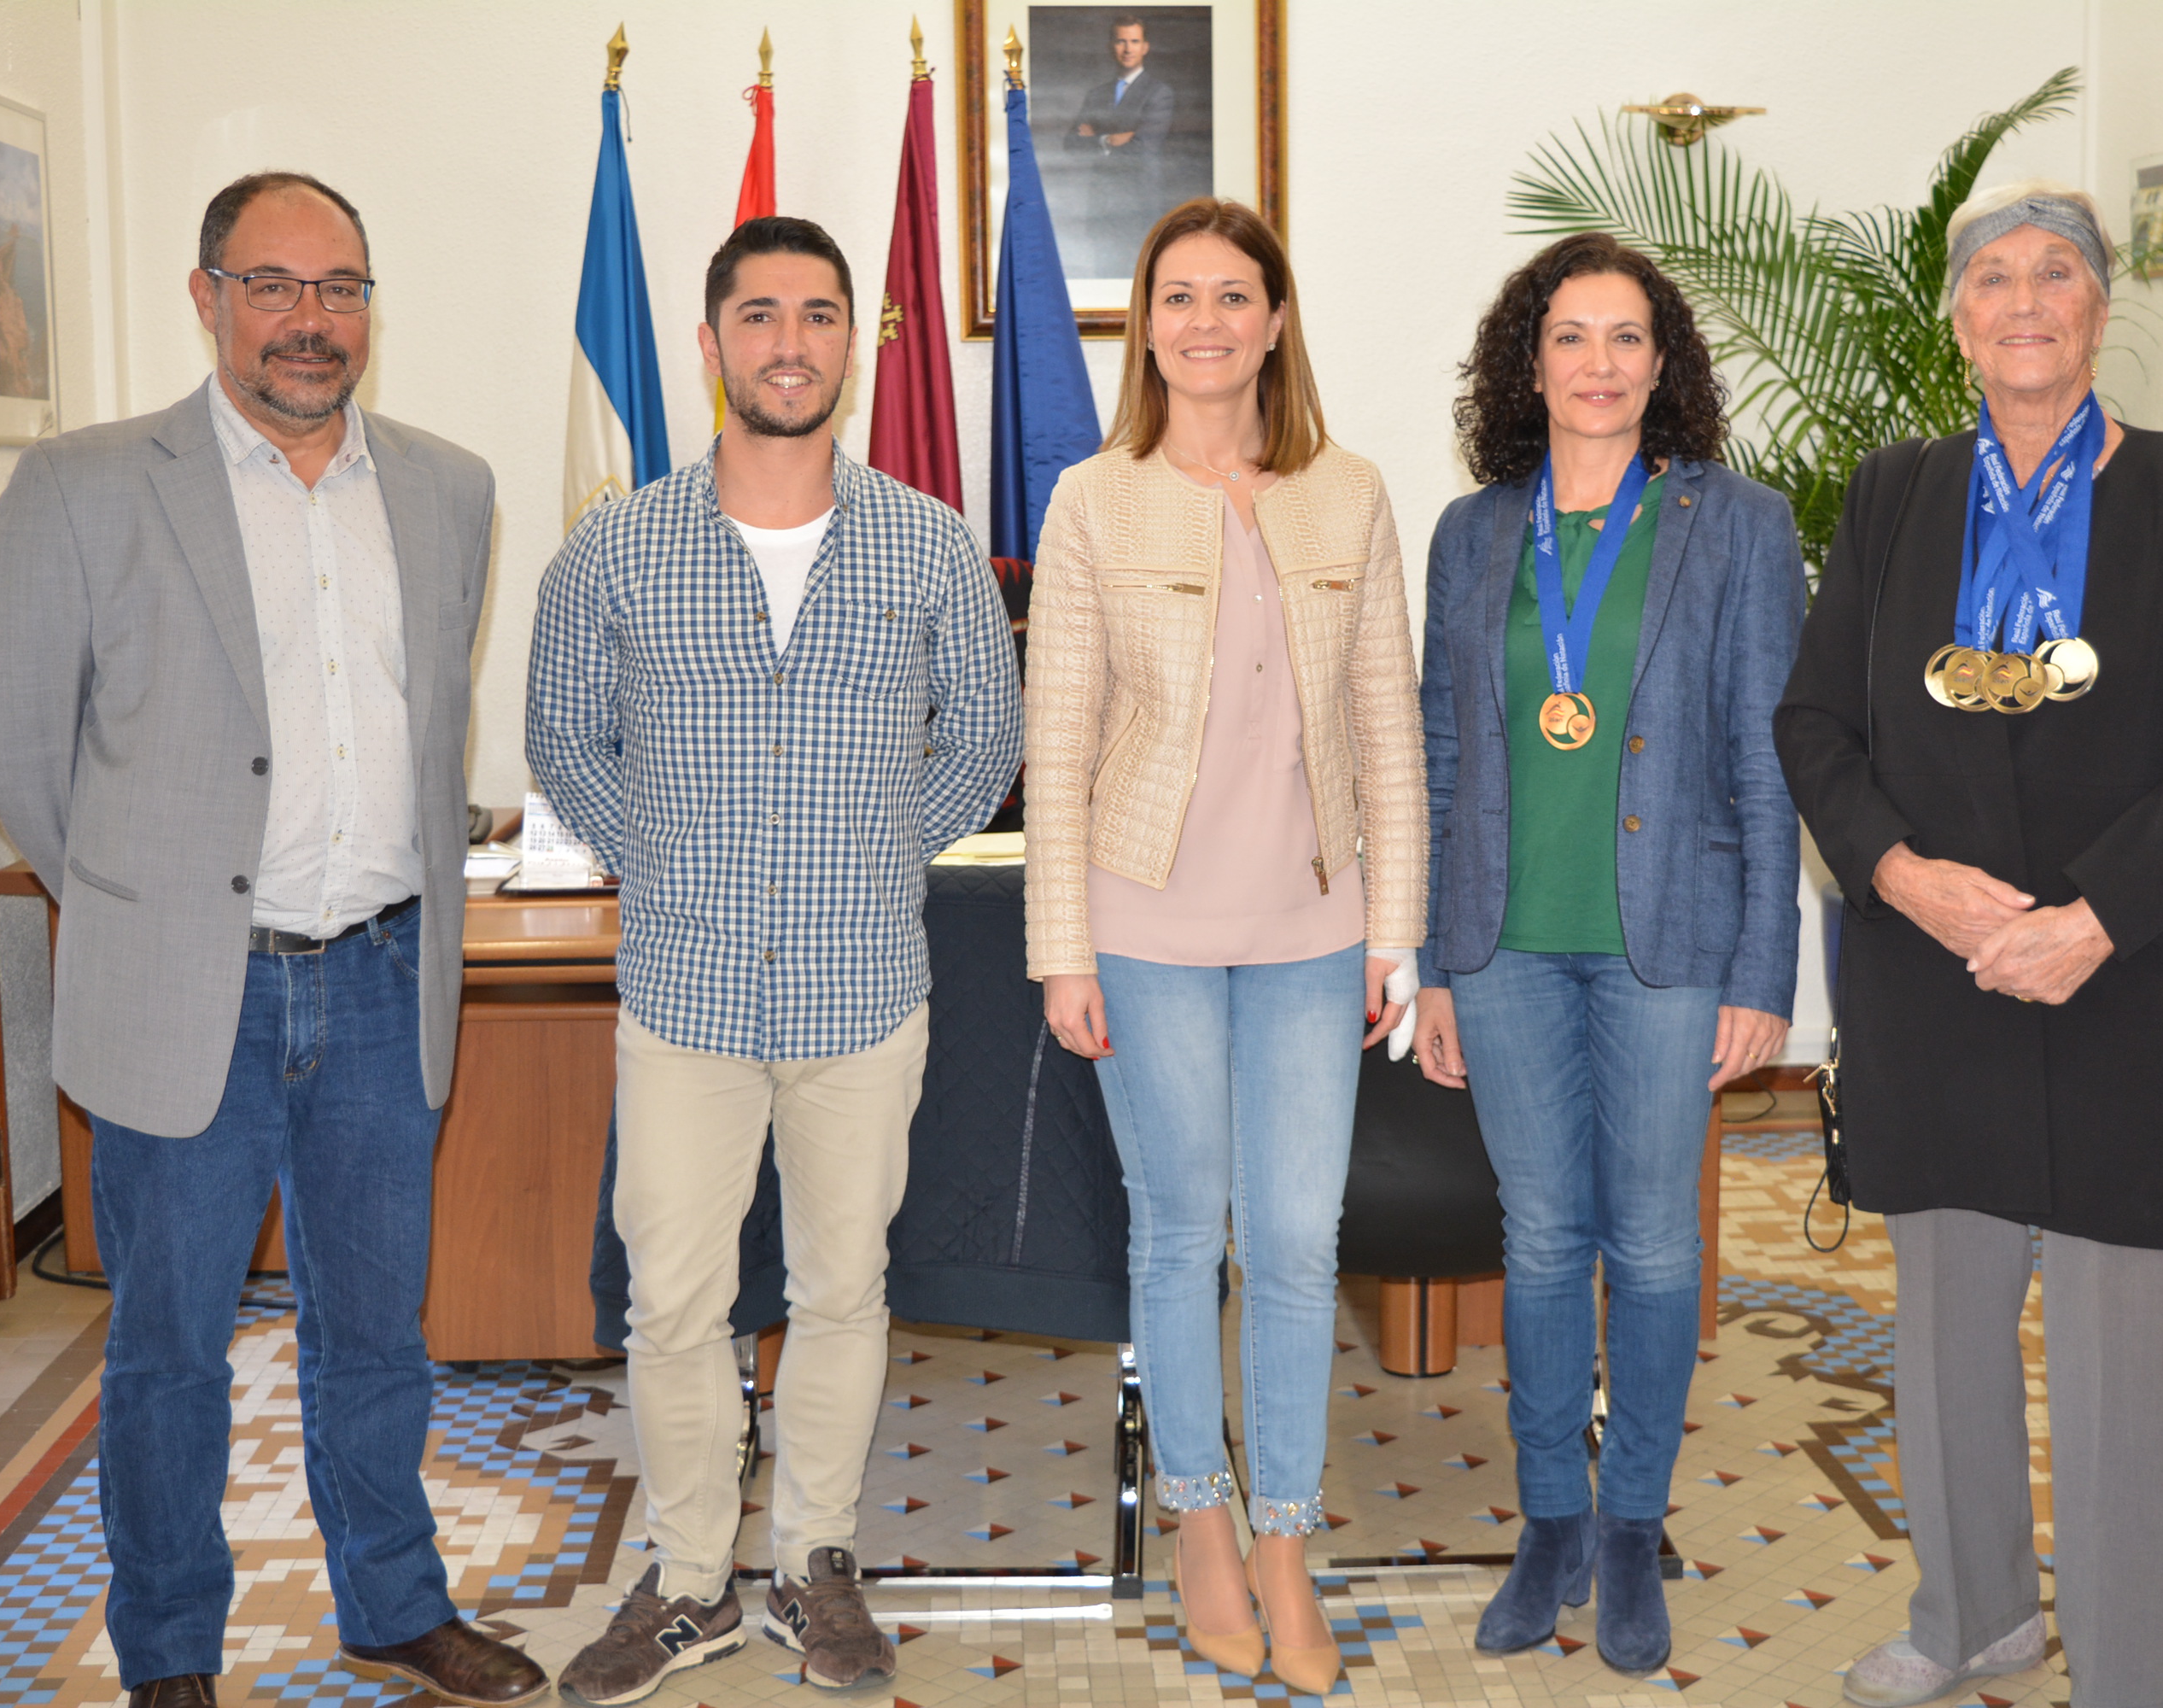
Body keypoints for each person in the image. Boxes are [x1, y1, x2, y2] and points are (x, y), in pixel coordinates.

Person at [0, 173, 536, 1708]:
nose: (309, 319)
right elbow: (10, 743)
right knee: (168, 1354)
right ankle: (169, 1655)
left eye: (339, 288)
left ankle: (392, 1605)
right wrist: (139, 911)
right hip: (184, 1001)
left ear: (370, 308)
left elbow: (428, 731)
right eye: (272, 285)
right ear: (206, 296)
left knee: (378, 1336)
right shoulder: (84, 485)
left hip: (382, 982)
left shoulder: (450, 487)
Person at [1774, 181, 2163, 1708]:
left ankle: (2121, 1674)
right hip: (1935, 982)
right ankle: (1972, 1619)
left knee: (2117, 1370)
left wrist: (2095, 918)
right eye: (1991, 277)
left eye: (2054, 273)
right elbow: (1815, 722)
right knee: (1945, 1339)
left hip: (2132, 984)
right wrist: (1900, 877)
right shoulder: (1895, 491)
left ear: (2099, 307)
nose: (2022, 301)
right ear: (1957, 319)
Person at [528, 214, 1022, 1702]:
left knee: (841, 1292)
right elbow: (564, 740)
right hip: (683, 997)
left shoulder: (929, 544)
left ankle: (815, 1564)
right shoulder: (617, 547)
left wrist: (869, 858)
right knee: (672, 1306)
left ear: (852, 344)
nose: (788, 342)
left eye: (817, 314)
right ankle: (689, 1584)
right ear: (711, 343)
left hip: (860, 995)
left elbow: (982, 743)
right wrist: (671, 864)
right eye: (759, 315)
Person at [1024, 196, 1425, 1696]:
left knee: (1300, 1239)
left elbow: (1389, 731)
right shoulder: (1093, 502)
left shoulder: (1349, 493)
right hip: (1144, 925)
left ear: (1274, 322)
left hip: (1315, 927)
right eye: (1177, 296)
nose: (1204, 322)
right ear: (1147, 326)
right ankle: (1198, 1518)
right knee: (1182, 1231)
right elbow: (1056, 747)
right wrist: (1062, 951)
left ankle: (1285, 1538)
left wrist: (1396, 933)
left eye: (1232, 296)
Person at [1411, 233, 1805, 1675]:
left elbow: (1769, 756)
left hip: (1671, 943)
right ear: (1528, 364)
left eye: (1625, 336)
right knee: (1537, 1242)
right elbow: (1442, 752)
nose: (1597, 363)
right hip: (1504, 941)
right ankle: (1552, 1521)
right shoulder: (1473, 532)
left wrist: (1764, 970)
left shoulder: (1736, 524)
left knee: (1648, 1243)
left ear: (1662, 362)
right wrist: (1431, 960)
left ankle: (1632, 1526)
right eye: (1569, 336)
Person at [1063, 12, 1174, 273]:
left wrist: (1096, 138)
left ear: (1145, 47)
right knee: (1104, 275)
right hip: (1102, 206)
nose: (1127, 49)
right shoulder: (1097, 94)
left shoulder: (1159, 93)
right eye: (1121, 41)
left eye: (1134, 41)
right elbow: (1071, 143)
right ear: (1111, 46)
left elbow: (1144, 145)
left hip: (1140, 206)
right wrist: (1110, 140)